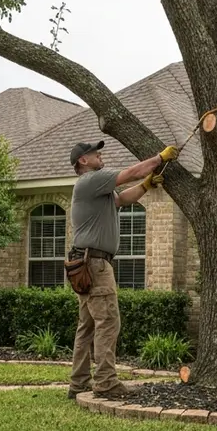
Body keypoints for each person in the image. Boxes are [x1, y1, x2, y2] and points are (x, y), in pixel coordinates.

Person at [67, 140, 179, 399]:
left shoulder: (96, 190)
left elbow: (121, 199)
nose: (100, 154)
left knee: (87, 326)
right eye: (95, 153)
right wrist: (160, 158)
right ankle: (106, 382)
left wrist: (146, 185)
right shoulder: (91, 180)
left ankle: (79, 383)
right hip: (95, 265)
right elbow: (130, 173)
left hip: (85, 264)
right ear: (83, 160)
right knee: (108, 322)